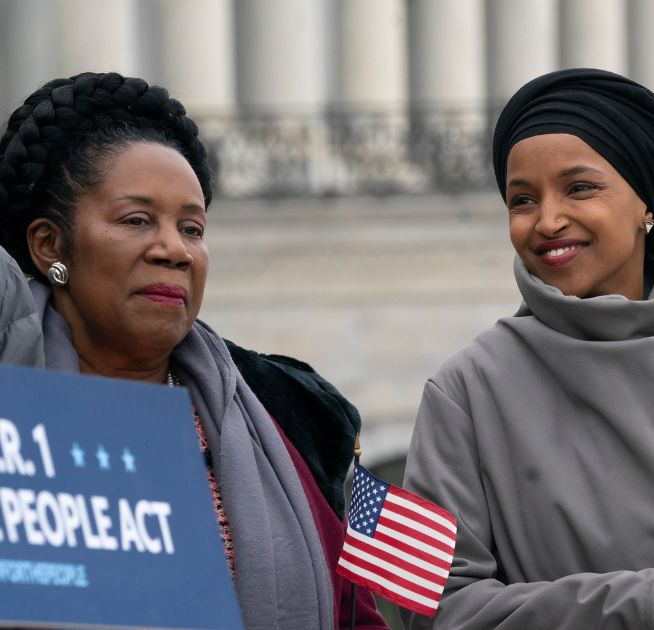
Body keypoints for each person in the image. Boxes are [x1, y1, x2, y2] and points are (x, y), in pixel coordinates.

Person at [400, 68, 654, 630]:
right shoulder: (463, 391)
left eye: (579, 188)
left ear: (646, 203)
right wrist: (638, 604)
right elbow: (428, 607)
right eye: (522, 199)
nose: (547, 220)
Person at [0, 72, 385, 629]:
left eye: (192, 228)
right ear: (49, 245)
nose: (173, 250)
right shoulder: (16, 392)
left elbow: (358, 612)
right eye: (136, 221)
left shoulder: (292, 412)